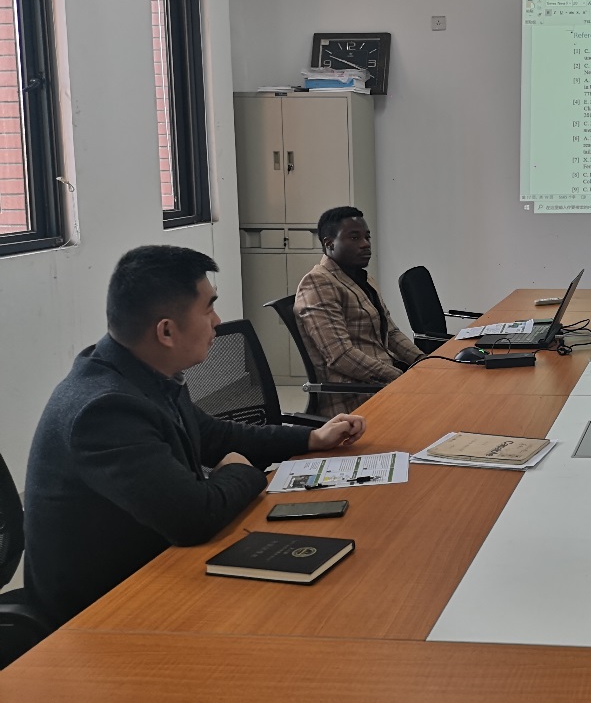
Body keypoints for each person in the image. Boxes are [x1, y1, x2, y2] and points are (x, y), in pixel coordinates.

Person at [23, 245, 367, 628]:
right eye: (208, 309)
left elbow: (214, 434)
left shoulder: (144, 371)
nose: (217, 321)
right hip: (103, 613)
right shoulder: (105, 410)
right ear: (167, 331)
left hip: (158, 568)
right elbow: (195, 518)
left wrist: (311, 439)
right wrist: (241, 470)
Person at [295, 206, 423, 415]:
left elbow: (391, 333)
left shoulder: (361, 278)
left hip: (383, 381)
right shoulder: (318, 283)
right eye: (354, 238)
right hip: (357, 395)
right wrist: (399, 378)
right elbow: (341, 355)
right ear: (329, 243)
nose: (365, 244)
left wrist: (423, 361)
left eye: (367, 237)